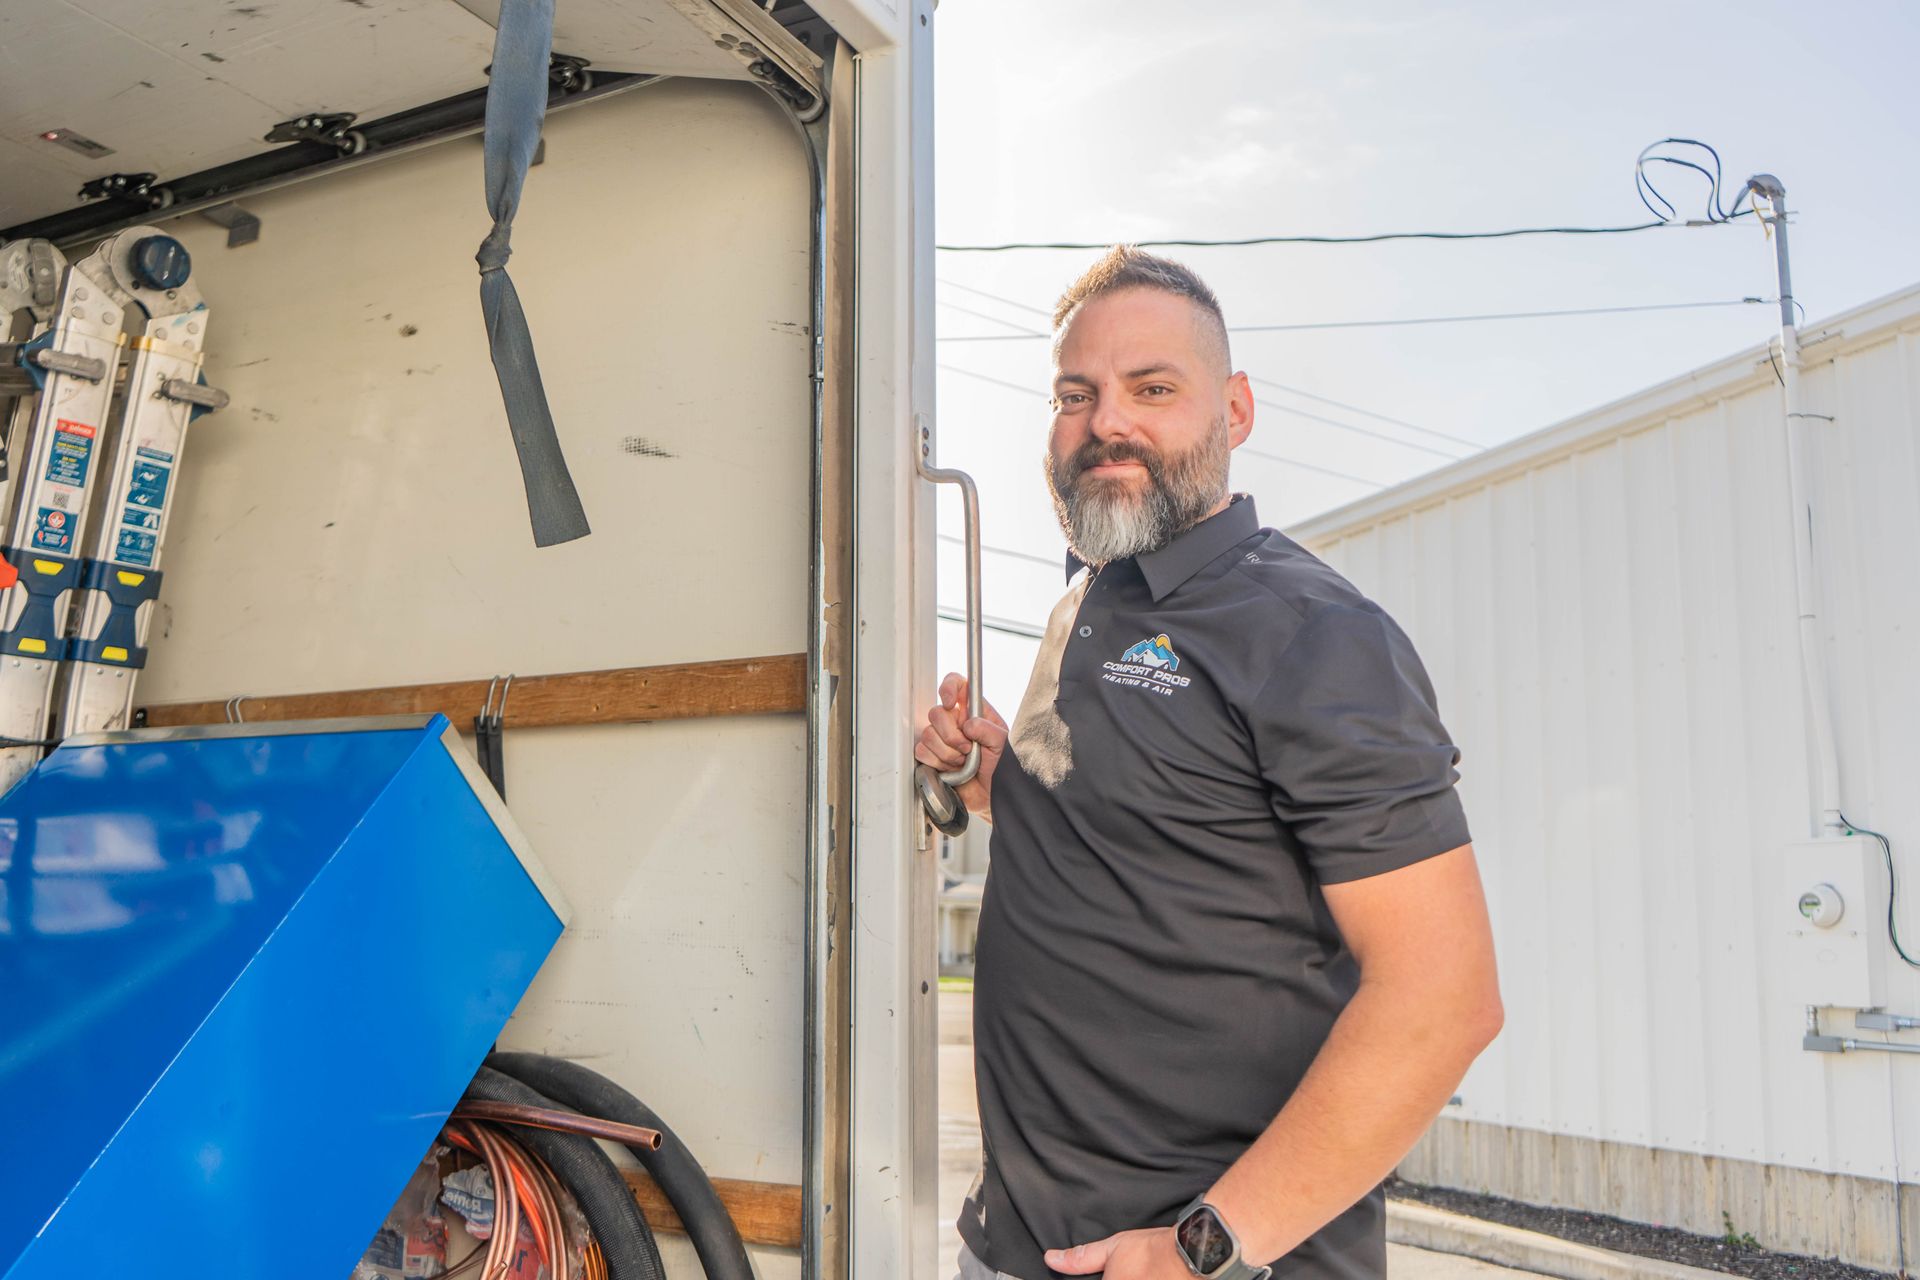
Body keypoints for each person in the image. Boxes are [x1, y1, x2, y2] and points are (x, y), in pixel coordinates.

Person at [917, 247, 1502, 1280]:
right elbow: (1139, 833)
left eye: (1153, 388)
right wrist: (993, 780)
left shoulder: (1312, 633)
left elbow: (1443, 997)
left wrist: (1205, 1247)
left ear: (1233, 410)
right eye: (1075, 393)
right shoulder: (1088, 594)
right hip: (1016, 1240)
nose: (1107, 423)